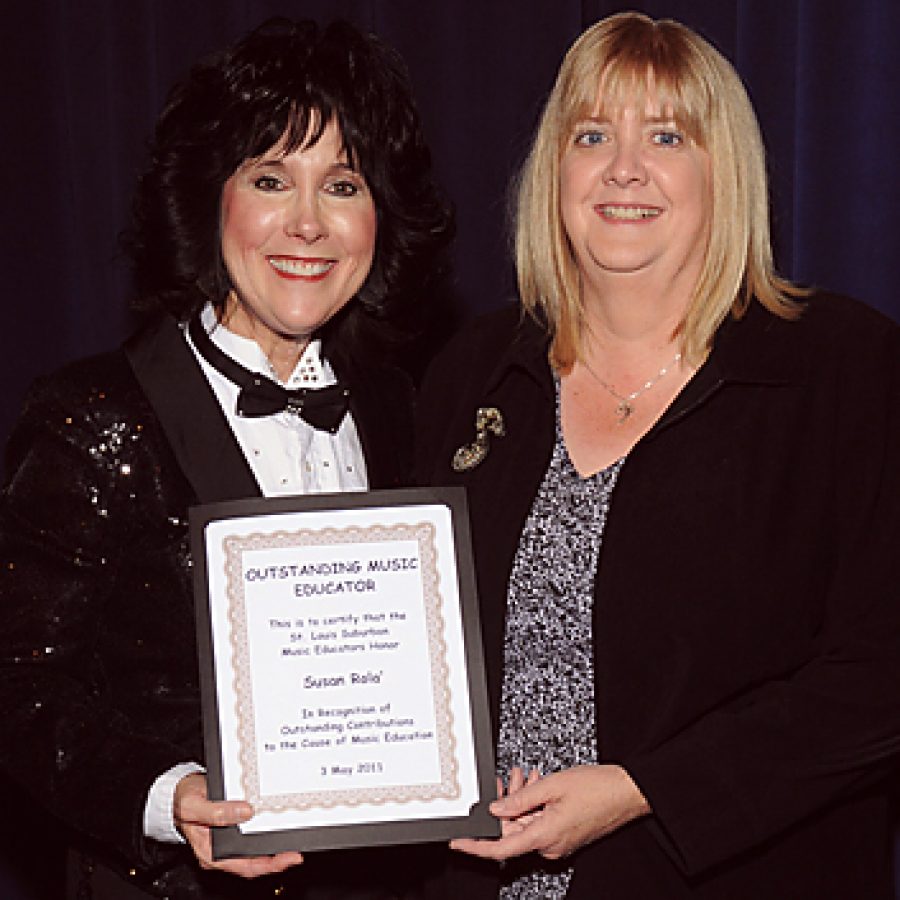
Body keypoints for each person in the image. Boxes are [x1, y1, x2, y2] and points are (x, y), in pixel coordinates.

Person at [415, 11, 900, 900]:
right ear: (553, 171)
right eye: (592, 134)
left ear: (727, 174)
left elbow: (879, 674)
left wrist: (647, 793)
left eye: (668, 136)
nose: (624, 168)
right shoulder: (471, 372)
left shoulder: (846, 369)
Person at [0, 17, 450, 900]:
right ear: (212, 197)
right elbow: (16, 682)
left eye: (345, 185)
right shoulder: (94, 415)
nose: (308, 225)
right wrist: (171, 798)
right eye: (271, 179)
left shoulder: (400, 407)